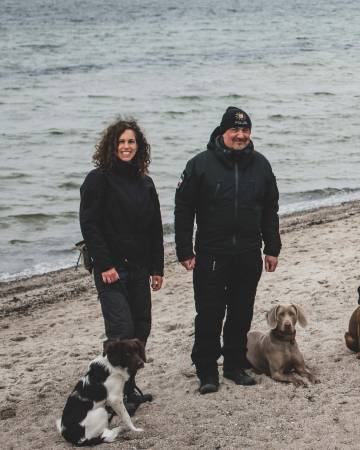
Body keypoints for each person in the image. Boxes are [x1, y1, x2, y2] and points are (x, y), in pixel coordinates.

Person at [175, 106, 281, 394]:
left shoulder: (261, 165)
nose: (240, 135)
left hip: (248, 252)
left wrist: (272, 247)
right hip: (210, 253)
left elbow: (270, 208)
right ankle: (207, 370)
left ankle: (235, 365)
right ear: (222, 132)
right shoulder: (200, 165)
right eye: (235, 130)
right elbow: (184, 210)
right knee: (209, 314)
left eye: (245, 130)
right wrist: (184, 249)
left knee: (241, 312)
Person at [79, 118, 164, 415]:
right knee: (121, 333)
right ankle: (111, 397)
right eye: (121, 142)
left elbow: (155, 228)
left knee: (141, 331)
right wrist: (104, 264)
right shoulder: (98, 179)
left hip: (140, 268)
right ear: (111, 147)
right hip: (111, 269)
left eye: (131, 142)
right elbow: (89, 224)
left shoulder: (145, 182)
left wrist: (158, 268)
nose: (126, 147)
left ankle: (127, 390)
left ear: (138, 147)